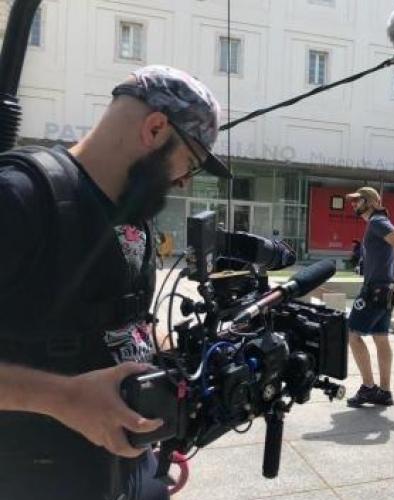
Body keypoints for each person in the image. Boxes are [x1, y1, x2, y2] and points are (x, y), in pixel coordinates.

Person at [0, 65, 231, 500]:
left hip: (129, 469)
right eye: (191, 162)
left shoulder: (133, 214)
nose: (185, 180)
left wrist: (177, 353)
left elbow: (124, 323)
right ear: (155, 128)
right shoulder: (18, 198)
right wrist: (64, 397)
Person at [345, 186, 394, 408]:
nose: (354, 204)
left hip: (375, 290)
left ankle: (368, 387)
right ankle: (384, 391)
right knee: (381, 337)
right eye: (353, 201)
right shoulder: (382, 221)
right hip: (386, 290)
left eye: (358, 200)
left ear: (371, 202)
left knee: (352, 334)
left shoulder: (376, 222)